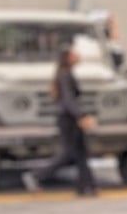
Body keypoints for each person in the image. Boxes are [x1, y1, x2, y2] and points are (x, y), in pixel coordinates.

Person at [23, 43, 97, 196]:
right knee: (68, 153)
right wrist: (81, 116)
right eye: (74, 55)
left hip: (70, 117)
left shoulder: (66, 73)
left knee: (81, 153)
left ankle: (86, 186)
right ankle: (37, 175)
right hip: (68, 119)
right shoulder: (64, 75)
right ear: (67, 58)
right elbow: (68, 100)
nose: (78, 57)